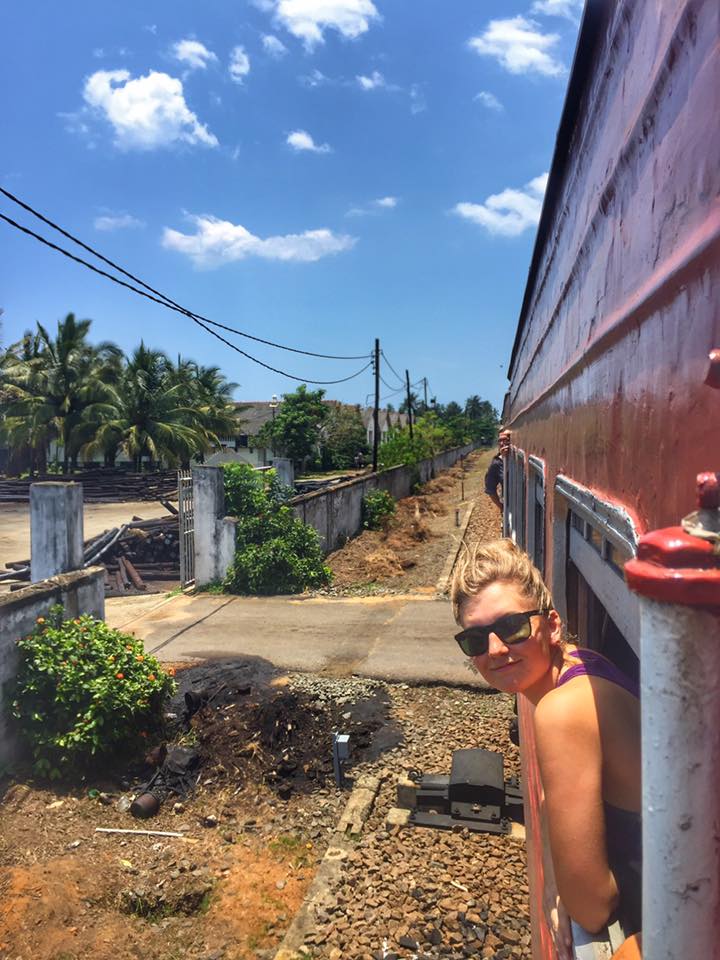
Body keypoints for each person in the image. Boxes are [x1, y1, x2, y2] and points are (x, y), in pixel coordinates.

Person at [451, 539, 641, 954]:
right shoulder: (582, 663)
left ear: (551, 625)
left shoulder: (560, 710)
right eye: (476, 640)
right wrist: (556, 872)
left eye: (513, 628)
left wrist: (565, 886)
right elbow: (547, 798)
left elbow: (592, 909)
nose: (495, 650)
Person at [484, 430, 510, 510]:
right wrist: (501, 507)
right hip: (509, 507)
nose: (502, 443)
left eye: (505, 440)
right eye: (500, 441)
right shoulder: (496, 463)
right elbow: (490, 489)